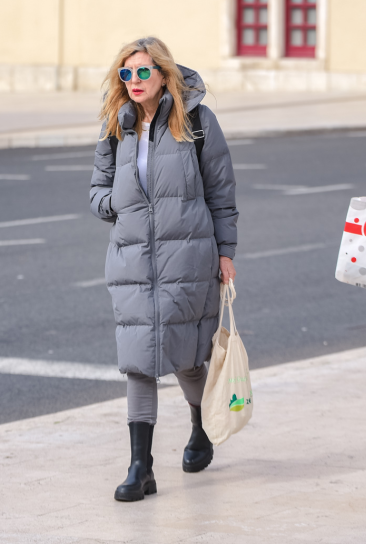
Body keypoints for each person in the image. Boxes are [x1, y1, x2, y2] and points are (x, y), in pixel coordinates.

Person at [90, 36, 238, 502]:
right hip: (133, 258)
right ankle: (141, 467)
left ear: (163, 74)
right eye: (126, 73)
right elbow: (96, 190)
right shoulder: (116, 124)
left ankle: (202, 427)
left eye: (142, 72)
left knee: (187, 356)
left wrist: (226, 253)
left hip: (187, 257)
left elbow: (221, 193)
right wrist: (115, 203)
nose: (133, 81)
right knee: (139, 360)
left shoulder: (197, 121)